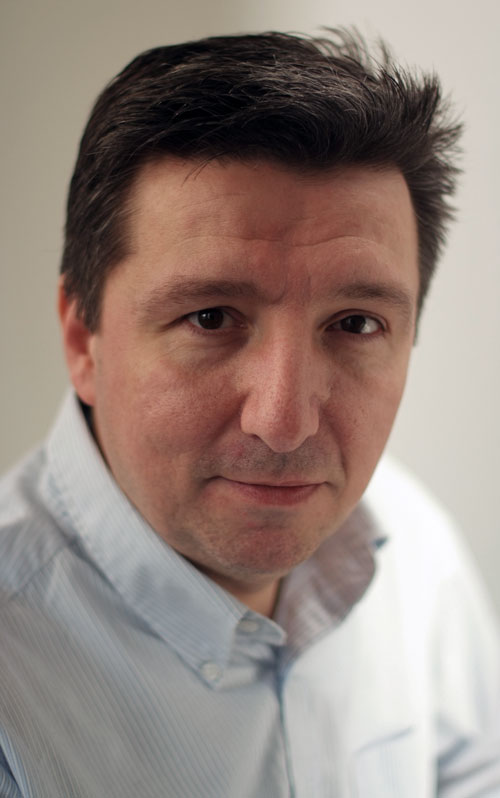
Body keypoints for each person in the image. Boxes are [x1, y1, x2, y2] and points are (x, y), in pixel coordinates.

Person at [0, 28, 499, 798]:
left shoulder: (418, 552)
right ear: (82, 339)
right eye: (210, 318)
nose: (285, 422)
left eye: (356, 324)